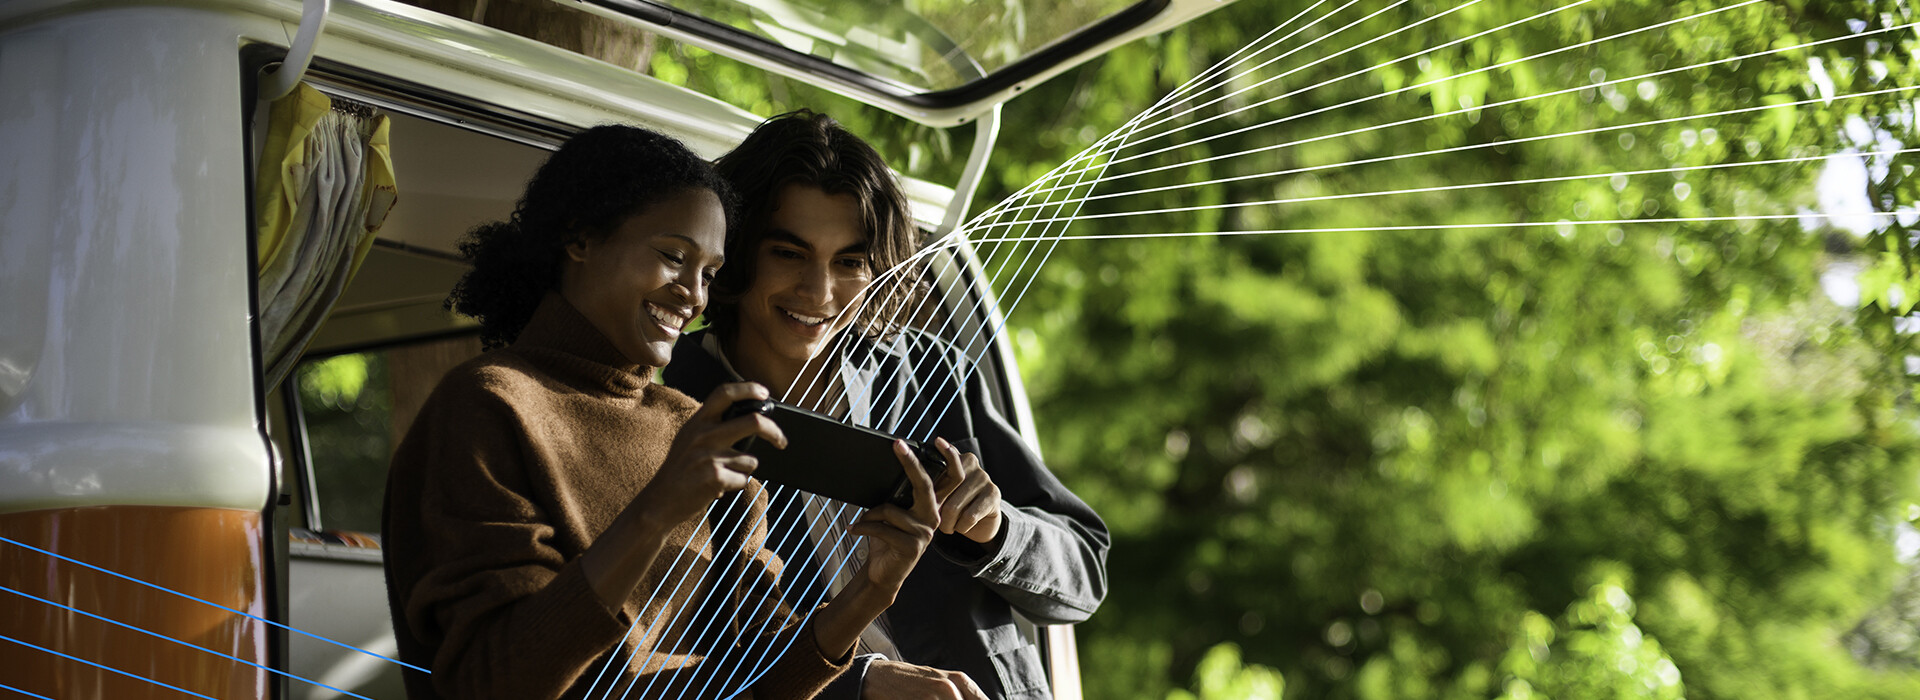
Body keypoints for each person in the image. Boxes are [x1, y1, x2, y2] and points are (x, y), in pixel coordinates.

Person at [381, 124, 943, 700]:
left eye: (711, 273)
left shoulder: (693, 426)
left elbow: (753, 681)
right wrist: (654, 511)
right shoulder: (488, 404)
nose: (693, 294)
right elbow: (490, 683)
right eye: (674, 257)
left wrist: (867, 596)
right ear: (580, 238)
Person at [663, 111, 1111, 700]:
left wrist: (997, 532)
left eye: (850, 262)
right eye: (790, 254)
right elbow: (661, 647)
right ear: (737, 251)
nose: (820, 293)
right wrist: (861, 685)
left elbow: (1085, 574)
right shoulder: (669, 398)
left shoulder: (929, 372)